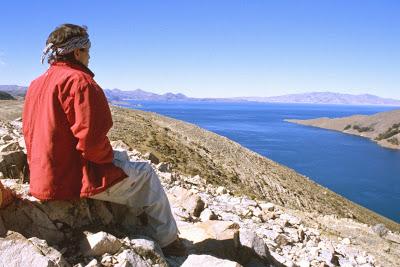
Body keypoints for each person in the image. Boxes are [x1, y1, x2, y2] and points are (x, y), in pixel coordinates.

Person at [22, 24, 185, 256]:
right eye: (87, 50)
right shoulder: (79, 81)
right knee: (147, 174)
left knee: (123, 159)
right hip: (69, 178)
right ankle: (170, 243)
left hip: (42, 175)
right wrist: (108, 160)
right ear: (77, 52)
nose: (90, 56)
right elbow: (91, 142)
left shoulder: (36, 84)